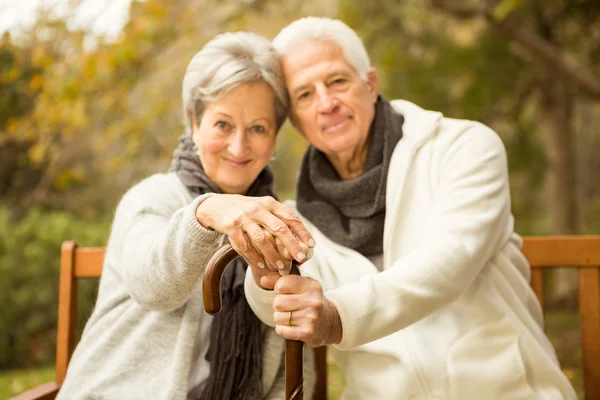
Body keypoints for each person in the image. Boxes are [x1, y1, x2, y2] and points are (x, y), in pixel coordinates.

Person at [244, 17, 577, 399]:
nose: (326, 103)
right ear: (296, 122)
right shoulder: (298, 218)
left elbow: (447, 264)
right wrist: (266, 273)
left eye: (337, 81)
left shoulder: (464, 148)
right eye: (304, 95)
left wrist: (340, 318)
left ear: (370, 84)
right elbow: (275, 307)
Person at [57, 31, 315, 400]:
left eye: (257, 128)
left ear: (274, 137)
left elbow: (292, 357)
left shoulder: (277, 221)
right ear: (194, 123)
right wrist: (206, 212)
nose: (239, 147)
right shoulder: (153, 197)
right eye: (223, 124)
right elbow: (154, 288)